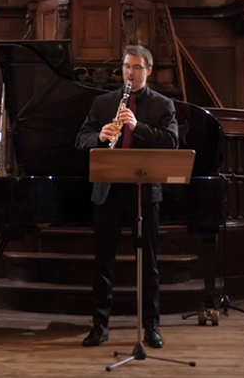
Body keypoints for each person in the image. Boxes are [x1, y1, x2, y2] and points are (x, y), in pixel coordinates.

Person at [75, 45, 179, 348]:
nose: (129, 73)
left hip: (144, 192)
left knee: (148, 263)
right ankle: (100, 326)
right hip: (108, 190)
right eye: (125, 67)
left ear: (148, 70)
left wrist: (138, 127)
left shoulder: (163, 105)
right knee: (103, 262)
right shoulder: (102, 102)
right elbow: (80, 139)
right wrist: (100, 136)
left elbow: (172, 142)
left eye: (136, 67)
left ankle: (151, 327)